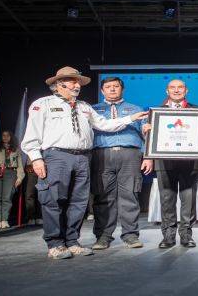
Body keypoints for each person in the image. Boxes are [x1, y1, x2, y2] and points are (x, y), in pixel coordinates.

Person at [21, 66, 147, 259]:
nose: (76, 84)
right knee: (53, 200)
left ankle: (72, 241)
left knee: (79, 202)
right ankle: (55, 244)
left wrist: (131, 117)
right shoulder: (43, 104)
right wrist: (36, 158)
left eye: (78, 81)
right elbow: (31, 136)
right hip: (56, 156)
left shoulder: (84, 107)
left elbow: (104, 124)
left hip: (82, 158)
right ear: (58, 84)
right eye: (72, 81)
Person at [142, 79, 198, 249]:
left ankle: (186, 235)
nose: (176, 90)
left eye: (180, 87)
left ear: (186, 90)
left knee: (188, 201)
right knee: (167, 200)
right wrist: (145, 133)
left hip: (191, 163)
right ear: (167, 91)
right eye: (172, 87)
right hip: (164, 163)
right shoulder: (156, 112)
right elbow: (150, 140)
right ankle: (168, 236)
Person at [90, 77, 152, 250]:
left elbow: (147, 134)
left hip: (130, 155)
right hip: (102, 155)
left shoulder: (136, 109)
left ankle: (131, 235)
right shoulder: (93, 110)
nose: (112, 89)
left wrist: (148, 156)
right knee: (103, 196)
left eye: (116, 86)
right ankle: (103, 236)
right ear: (102, 91)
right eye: (108, 87)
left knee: (130, 195)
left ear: (122, 89)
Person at [0, 130, 25, 229]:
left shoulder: (15, 149)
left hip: (10, 173)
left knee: (7, 197)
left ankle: (4, 219)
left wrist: (20, 177)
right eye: (3, 135)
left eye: (7, 135)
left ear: (11, 137)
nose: (5, 137)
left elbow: (20, 164)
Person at [24, 157, 43, 226]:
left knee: (41, 192)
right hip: (31, 168)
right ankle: (31, 217)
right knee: (29, 194)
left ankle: (39, 216)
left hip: (43, 167)